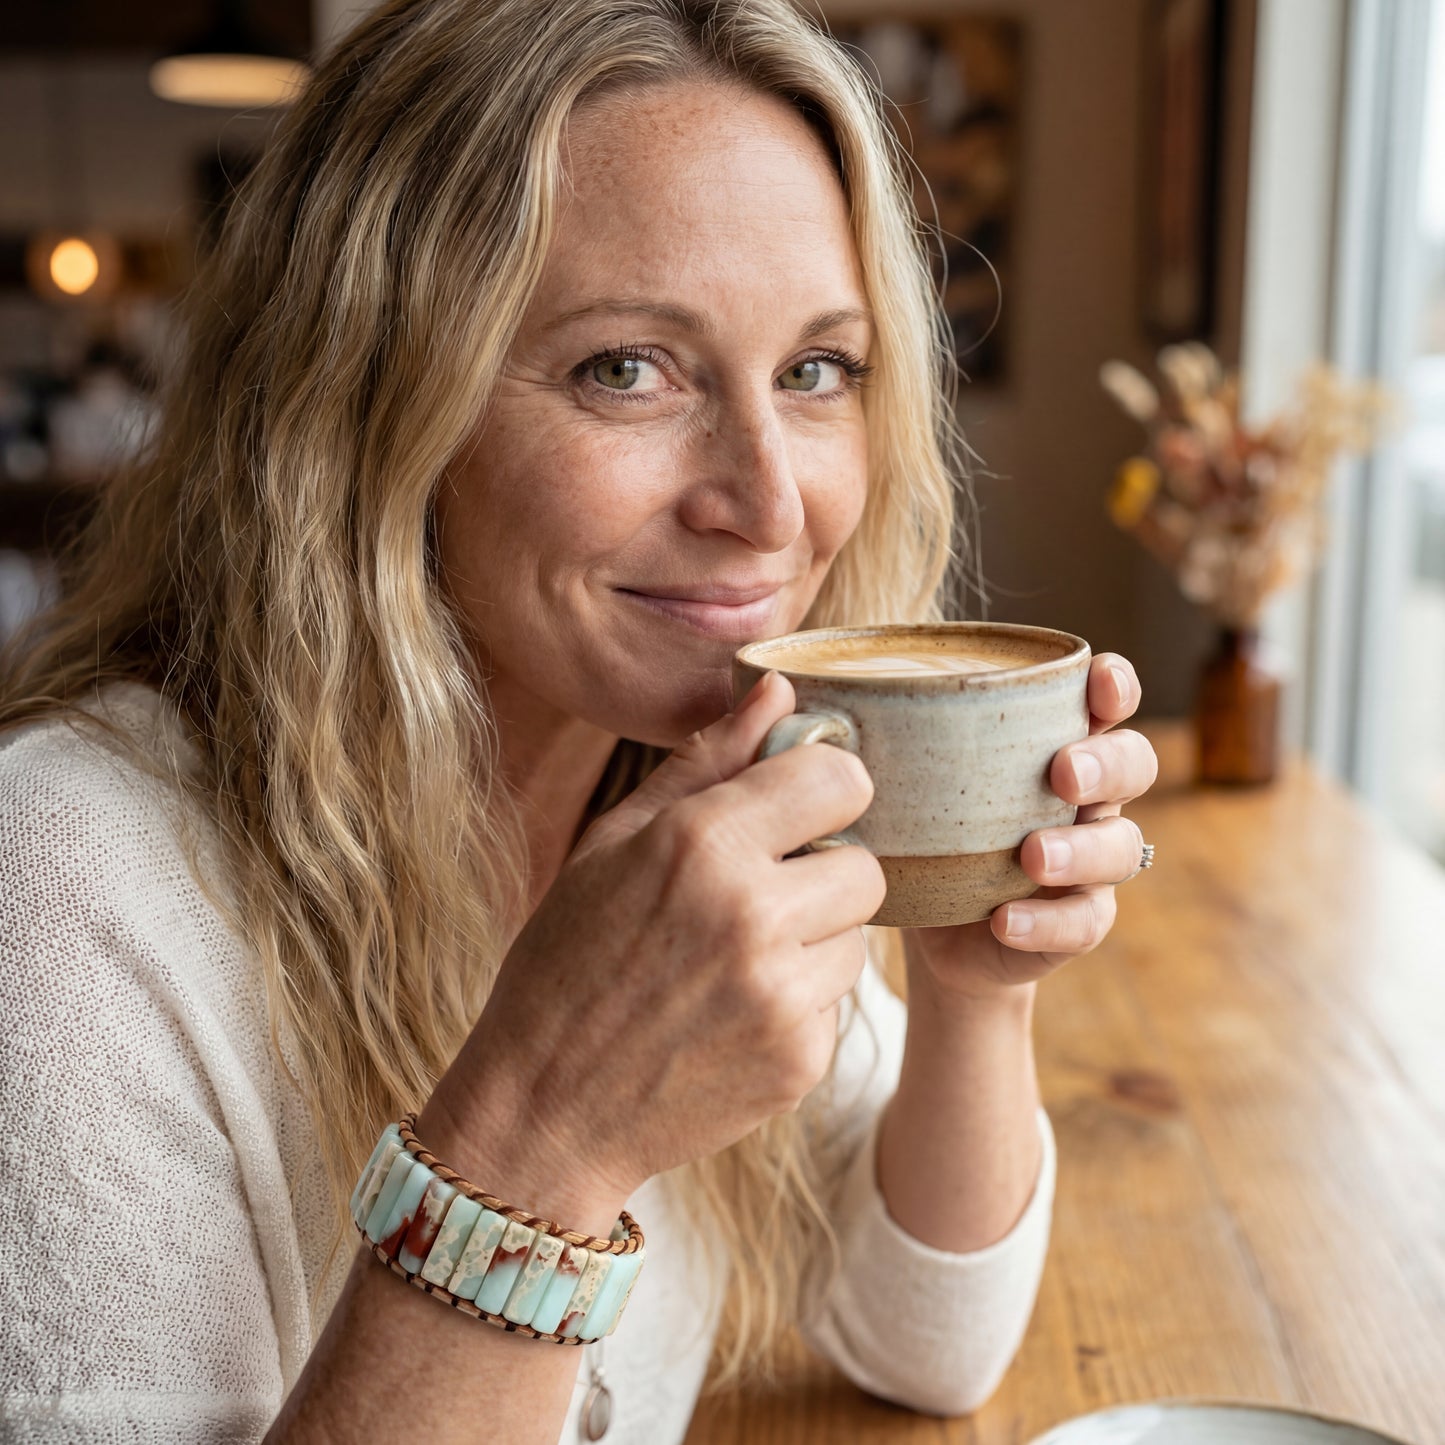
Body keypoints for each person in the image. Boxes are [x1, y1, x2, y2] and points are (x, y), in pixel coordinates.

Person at [0, 1, 1158, 1440]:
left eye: (815, 371)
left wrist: (974, 988)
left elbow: (925, 1338)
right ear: (362, 402)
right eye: (627, 368)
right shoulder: (62, 899)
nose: (770, 505)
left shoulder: (681, 779)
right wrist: (543, 1139)